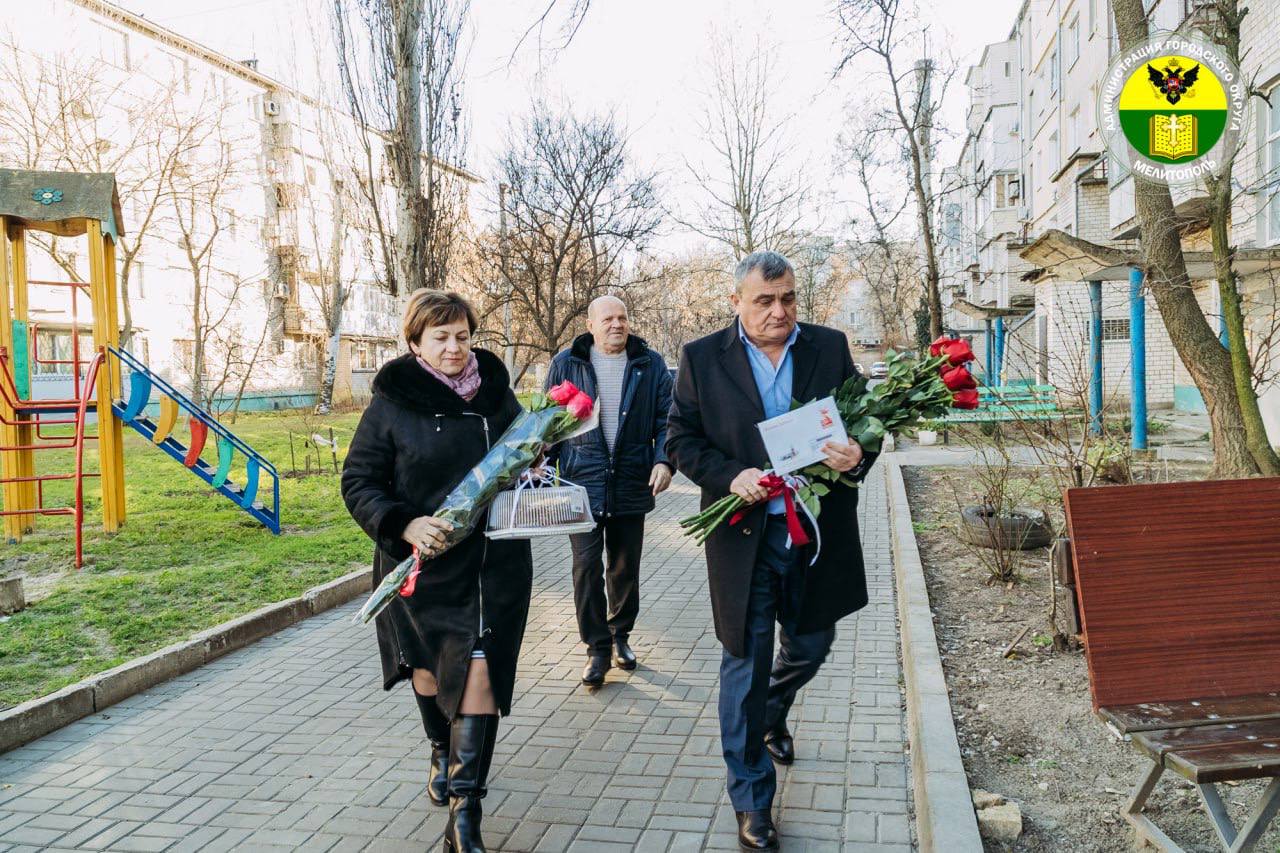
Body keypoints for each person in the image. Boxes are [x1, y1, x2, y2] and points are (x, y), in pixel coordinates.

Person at [665, 251, 877, 851]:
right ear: (736, 302)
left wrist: (857, 453)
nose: (779, 311)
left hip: (815, 535)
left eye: (787, 298)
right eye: (765, 301)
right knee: (746, 660)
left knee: (812, 643)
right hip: (744, 538)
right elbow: (680, 437)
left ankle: (772, 710)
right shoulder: (702, 359)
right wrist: (730, 475)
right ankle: (752, 800)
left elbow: (863, 424)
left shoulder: (829, 348)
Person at [342, 289, 531, 853]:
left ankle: (465, 813)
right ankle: (438, 749)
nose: (454, 348)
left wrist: (538, 461)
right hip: (421, 570)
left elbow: (525, 453)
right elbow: (358, 481)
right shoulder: (393, 402)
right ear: (416, 344)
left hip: (493, 566)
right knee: (427, 674)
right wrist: (403, 524)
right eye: (441, 337)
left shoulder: (496, 394)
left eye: (462, 336)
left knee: (479, 674)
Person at [544, 295, 674, 686]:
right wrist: (543, 466)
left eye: (622, 317)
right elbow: (548, 422)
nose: (616, 324)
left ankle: (620, 637)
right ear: (590, 325)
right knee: (586, 569)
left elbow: (669, 418)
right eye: (608, 319)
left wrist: (665, 460)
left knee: (623, 569)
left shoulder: (649, 365)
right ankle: (596, 648)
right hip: (580, 485)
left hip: (633, 482)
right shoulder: (566, 364)